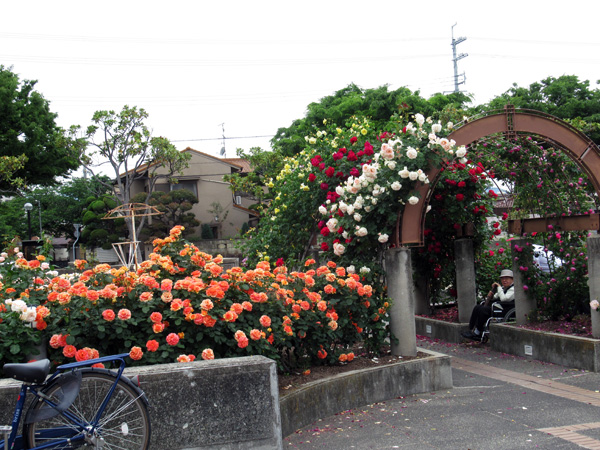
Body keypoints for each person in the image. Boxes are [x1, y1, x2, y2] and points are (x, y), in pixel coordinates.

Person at [461, 269, 515, 341]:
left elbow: (504, 299)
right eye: (502, 279)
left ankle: (477, 332)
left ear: (512, 279)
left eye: (506, 278)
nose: (504, 280)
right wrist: (491, 295)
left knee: (484, 310)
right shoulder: (503, 288)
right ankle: (471, 329)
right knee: (478, 307)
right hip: (499, 307)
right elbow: (495, 297)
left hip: (506, 309)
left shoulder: (513, 289)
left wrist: (499, 287)